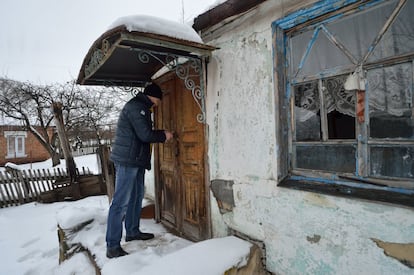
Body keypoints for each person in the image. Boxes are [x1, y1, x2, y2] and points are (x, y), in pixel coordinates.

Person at [106, 83, 173, 258]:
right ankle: (112, 246)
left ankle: (133, 231)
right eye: (158, 99)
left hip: (136, 160)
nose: (158, 103)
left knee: (136, 197)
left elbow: (141, 135)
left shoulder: (141, 107)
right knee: (120, 202)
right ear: (154, 96)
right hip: (128, 161)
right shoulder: (137, 107)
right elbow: (145, 135)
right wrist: (163, 135)